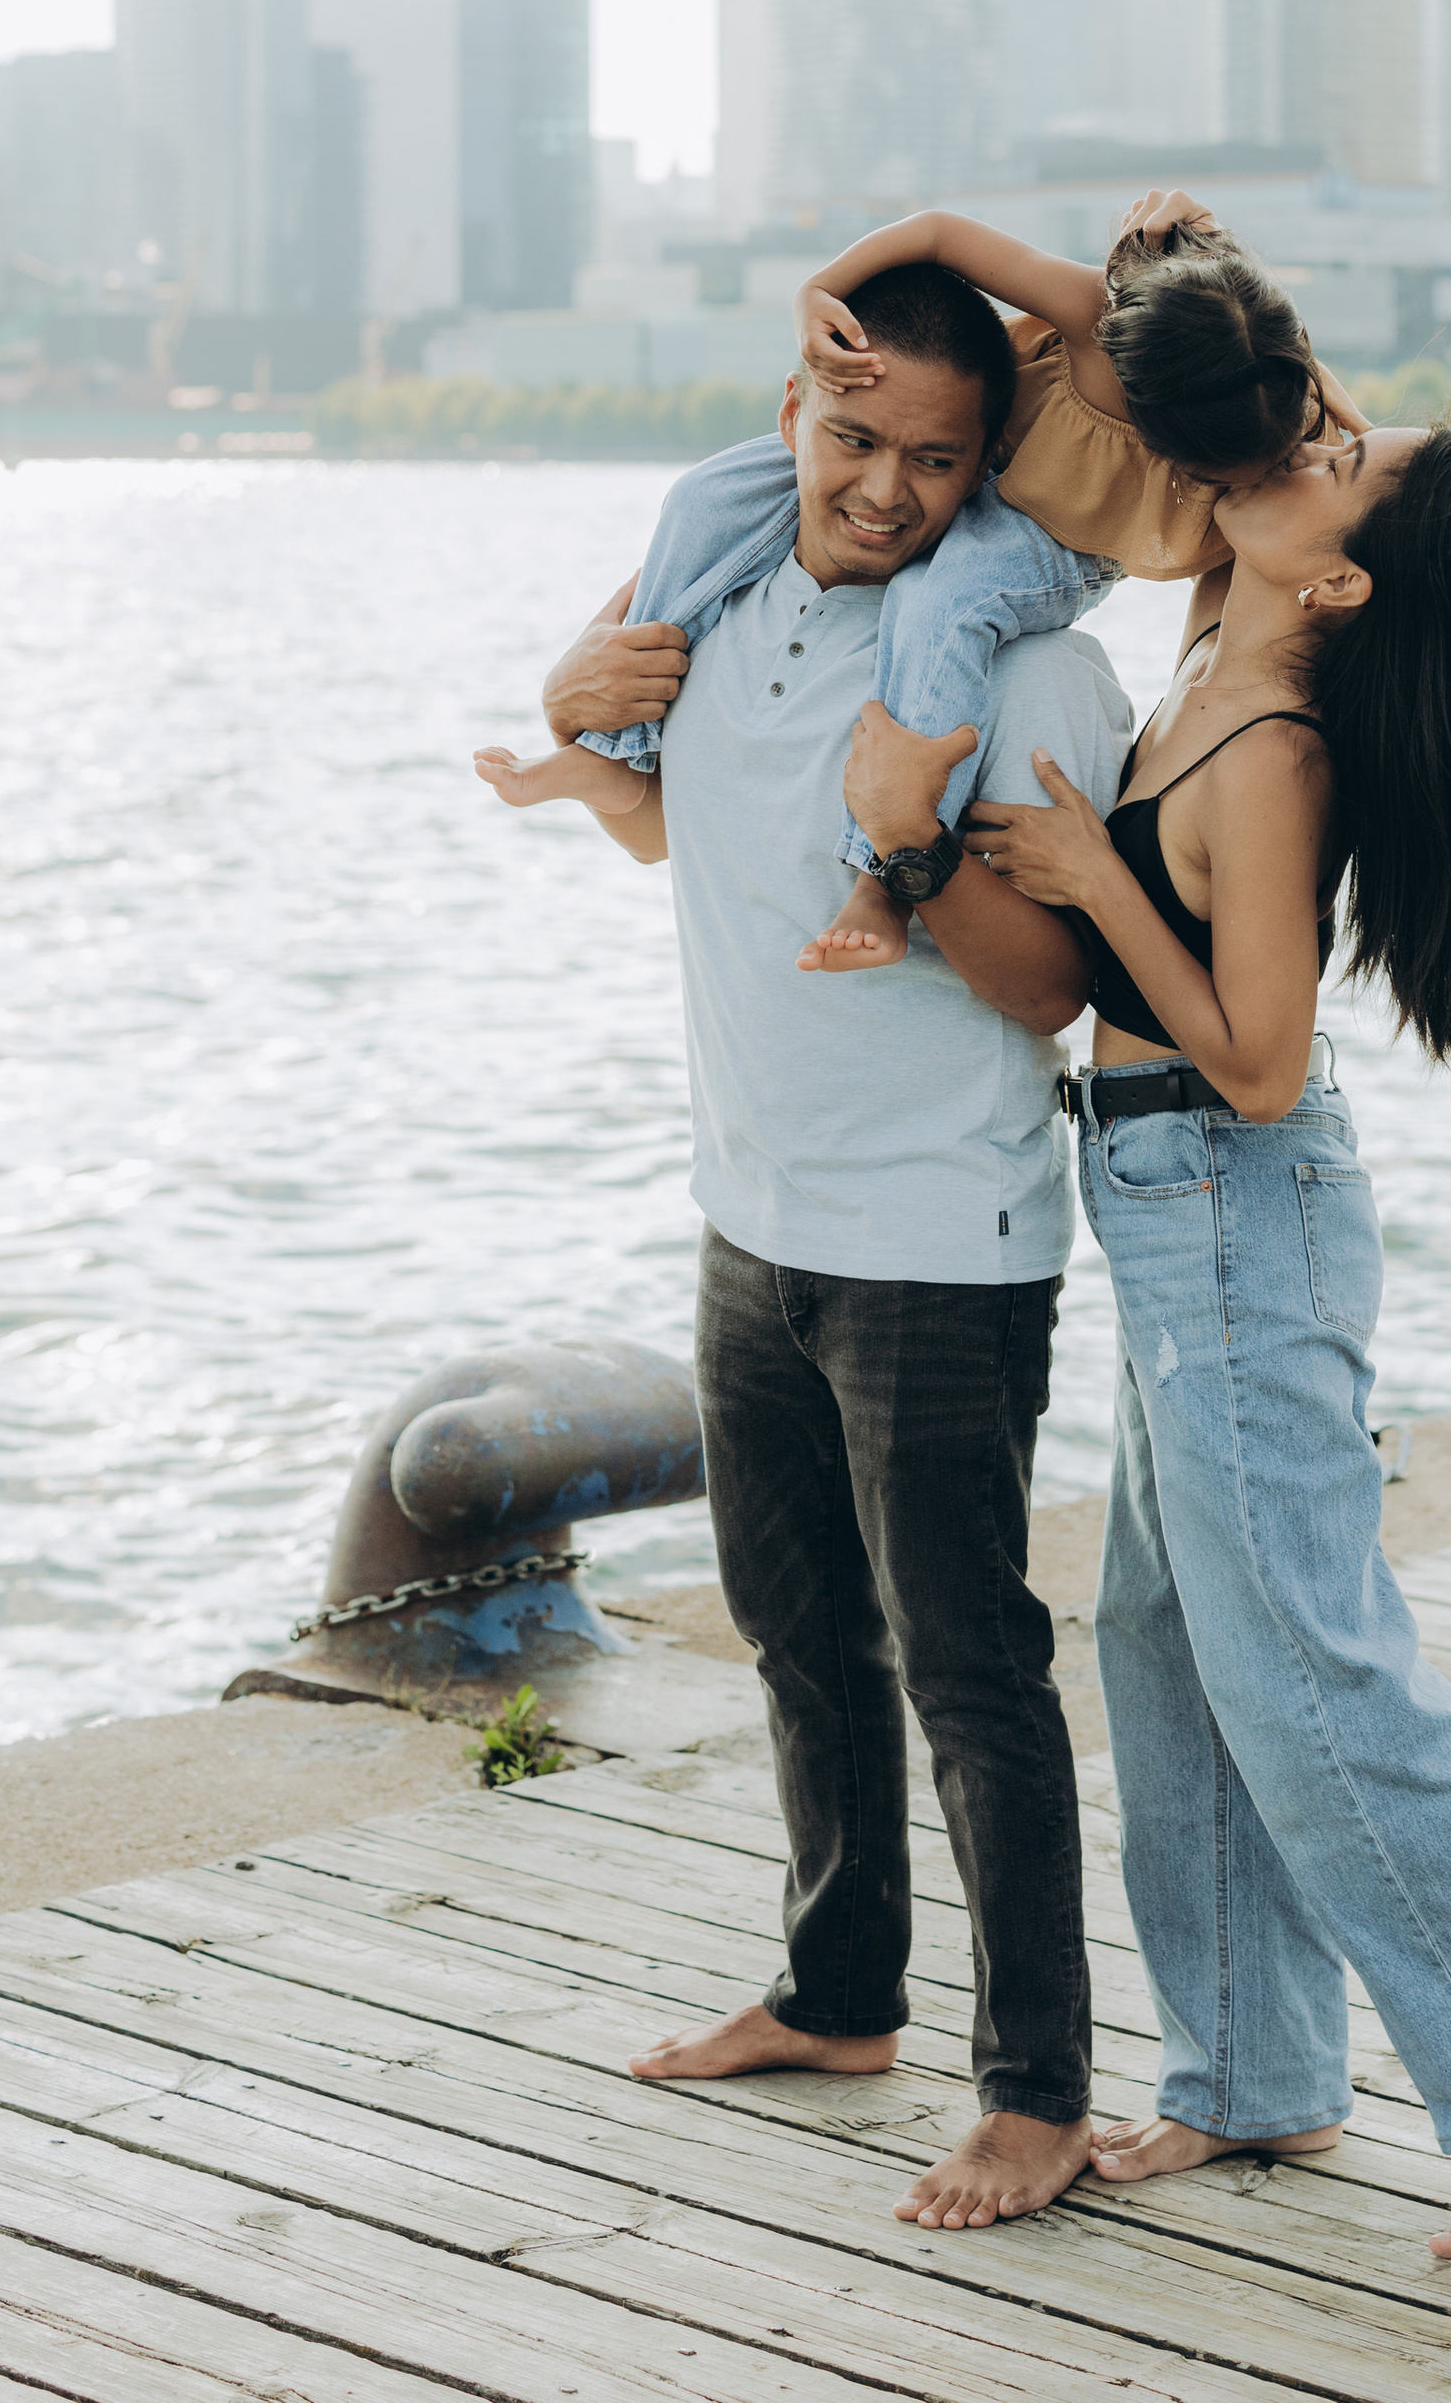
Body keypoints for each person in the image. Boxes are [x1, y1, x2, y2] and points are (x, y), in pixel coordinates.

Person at [967, 415, 1451, 2277]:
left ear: (1341, 570)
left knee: (1310, 1664)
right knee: (1167, 1635)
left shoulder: (1273, 745)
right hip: (1162, 1206)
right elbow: (1230, 396)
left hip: (1230, 1203)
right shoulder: (1225, 620)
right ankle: (1255, 2069)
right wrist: (1149, 254)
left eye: (1345, 451)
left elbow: (1259, 1064)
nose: (1312, 433)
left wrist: (1095, 883)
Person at [489, 259, 1134, 2229]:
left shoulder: (1019, 676)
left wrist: (914, 850)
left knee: (969, 1665)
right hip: (746, 1220)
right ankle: (840, 1996)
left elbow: (1052, 996)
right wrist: (566, 710)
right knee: (794, 1635)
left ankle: (1034, 2092)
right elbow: (667, 834)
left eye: (936, 460)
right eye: (855, 438)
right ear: (793, 407)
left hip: (938, 1245)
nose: (884, 489)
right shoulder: (729, 595)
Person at [475, 192, 1332, 969]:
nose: (882, 490)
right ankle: (617, 752)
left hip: (1059, 542)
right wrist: (819, 289)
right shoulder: (1092, 314)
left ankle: (879, 879)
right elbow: (940, 233)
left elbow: (1363, 485)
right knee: (704, 495)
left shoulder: (1279, 406)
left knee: (941, 599)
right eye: (850, 442)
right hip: (994, 474)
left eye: (1204, 467)